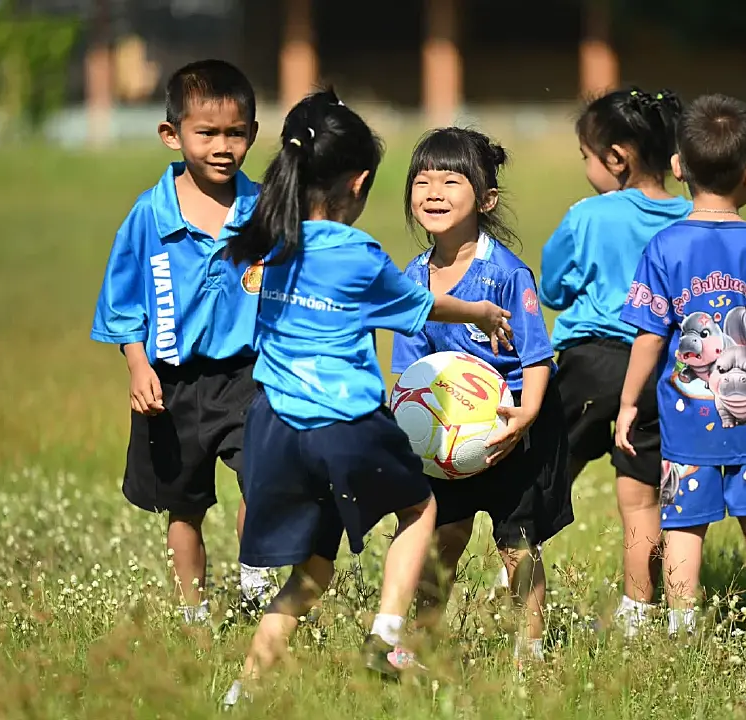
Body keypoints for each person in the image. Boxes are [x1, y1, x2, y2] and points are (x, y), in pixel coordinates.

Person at [222, 91, 515, 705]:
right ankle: (387, 636)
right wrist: (485, 313)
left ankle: (243, 691)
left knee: (312, 571)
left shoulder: (265, 240)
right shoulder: (358, 255)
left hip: (273, 427)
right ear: (359, 183)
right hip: (345, 422)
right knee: (420, 512)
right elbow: (426, 306)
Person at [615, 93, 746, 642]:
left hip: (685, 422)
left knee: (683, 522)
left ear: (678, 168)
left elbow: (649, 338)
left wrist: (629, 403)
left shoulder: (664, 246)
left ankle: (681, 624)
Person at [90, 59, 272, 625]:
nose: (223, 146)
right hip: (171, 382)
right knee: (182, 506)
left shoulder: (265, 209)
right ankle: (195, 616)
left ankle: (255, 587)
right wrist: (137, 364)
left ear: (252, 135)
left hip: (251, 375)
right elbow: (122, 300)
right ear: (172, 135)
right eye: (207, 132)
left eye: (236, 133)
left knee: (266, 480)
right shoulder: (149, 215)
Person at [392, 127, 573, 668]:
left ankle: (531, 651)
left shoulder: (506, 273)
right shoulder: (412, 279)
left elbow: (538, 355)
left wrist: (527, 417)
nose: (433, 192)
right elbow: (408, 371)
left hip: (511, 429)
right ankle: (419, 644)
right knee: (442, 536)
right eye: (422, 181)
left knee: (516, 545)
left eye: (451, 180)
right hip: (444, 437)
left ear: (486, 199)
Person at [537, 88, 691, 638]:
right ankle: (637, 612)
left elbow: (552, 288)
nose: (585, 169)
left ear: (617, 157)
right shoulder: (693, 216)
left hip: (591, 364)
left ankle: (516, 581)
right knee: (641, 495)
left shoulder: (589, 216)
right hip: (660, 372)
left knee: (540, 473)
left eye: (586, 156)